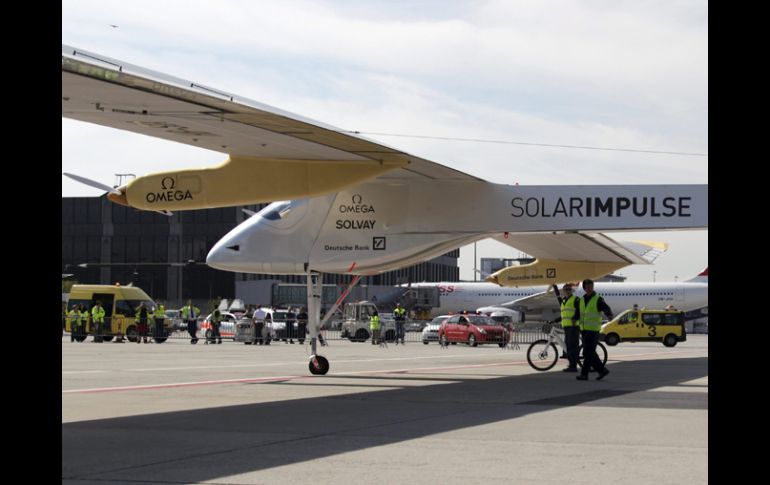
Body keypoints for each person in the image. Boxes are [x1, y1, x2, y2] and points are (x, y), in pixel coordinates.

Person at [577, 279, 612, 381]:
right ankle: (602, 370)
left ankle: (584, 374)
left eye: (591, 286)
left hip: (593, 330)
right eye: (587, 287)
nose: (589, 289)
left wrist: (609, 314)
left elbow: (605, 307)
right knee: (590, 352)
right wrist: (573, 319)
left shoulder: (598, 299)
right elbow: (578, 312)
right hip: (584, 330)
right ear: (584, 288)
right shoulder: (582, 300)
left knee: (587, 353)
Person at [555, 284, 580, 372]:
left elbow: (579, 311)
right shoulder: (564, 301)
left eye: (569, 289)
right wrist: (554, 321)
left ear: (572, 290)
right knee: (568, 347)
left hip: (573, 327)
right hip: (566, 327)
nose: (568, 290)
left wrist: (575, 319)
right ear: (563, 291)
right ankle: (571, 364)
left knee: (572, 346)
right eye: (566, 289)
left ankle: (573, 366)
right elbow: (564, 315)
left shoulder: (575, 299)